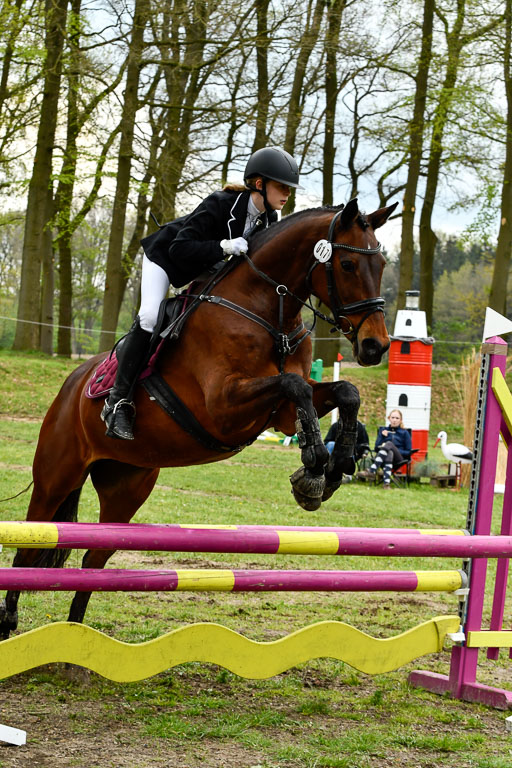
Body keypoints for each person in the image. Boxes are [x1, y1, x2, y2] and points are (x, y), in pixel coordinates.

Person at [101, 146, 303, 440]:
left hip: (207, 269)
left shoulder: (269, 221)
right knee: (149, 317)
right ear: (260, 184)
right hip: (167, 260)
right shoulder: (221, 203)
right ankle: (117, 401)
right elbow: (179, 248)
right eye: (282, 186)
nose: (287, 194)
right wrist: (223, 246)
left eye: (289, 188)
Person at [359, 409, 412, 488]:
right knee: (389, 453)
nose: (394, 420)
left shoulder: (405, 433)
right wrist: (383, 437)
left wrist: (396, 450)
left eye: (397, 418)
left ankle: (372, 470)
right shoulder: (383, 431)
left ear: (401, 420)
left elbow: (408, 451)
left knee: (389, 444)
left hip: (398, 458)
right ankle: (386, 484)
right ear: (389, 418)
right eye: (393, 417)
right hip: (383, 458)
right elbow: (376, 448)